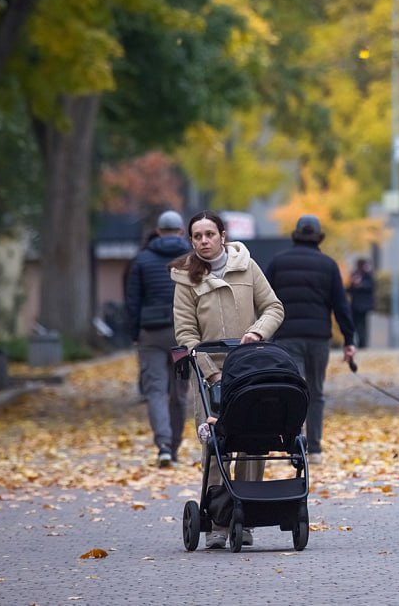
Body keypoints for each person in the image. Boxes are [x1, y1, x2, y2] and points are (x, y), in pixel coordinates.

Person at [170, 210, 284, 548]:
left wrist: (256, 332)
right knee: (216, 446)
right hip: (210, 376)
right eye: (197, 236)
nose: (204, 241)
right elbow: (186, 334)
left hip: (250, 370)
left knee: (253, 443)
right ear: (191, 241)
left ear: (222, 235)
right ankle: (219, 521)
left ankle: (246, 515)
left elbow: (273, 308)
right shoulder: (185, 280)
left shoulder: (247, 267)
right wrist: (210, 369)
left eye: (209, 234)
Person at [265, 215, 357, 466]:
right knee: (315, 392)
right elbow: (341, 305)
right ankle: (315, 449)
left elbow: (263, 300)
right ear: (319, 238)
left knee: (292, 392)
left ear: (295, 235)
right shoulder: (328, 265)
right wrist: (349, 340)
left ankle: (295, 446)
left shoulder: (277, 263)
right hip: (318, 339)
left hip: (286, 338)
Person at [124, 210, 192, 467]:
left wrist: (135, 334)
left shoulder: (142, 260)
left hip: (151, 334)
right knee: (179, 392)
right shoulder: (192, 258)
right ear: (181, 231)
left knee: (155, 390)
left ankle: (163, 445)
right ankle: (174, 446)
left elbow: (132, 302)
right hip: (182, 335)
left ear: (158, 231)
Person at [346, 258, 375, 349]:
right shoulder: (355, 274)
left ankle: (362, 343)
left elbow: (370, 286)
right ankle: (357, 342)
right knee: (356, 324)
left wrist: (359, 284)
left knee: (362, 325)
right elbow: (351, 288)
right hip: (356, 305)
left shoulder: (368, 275)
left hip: (362, 306)